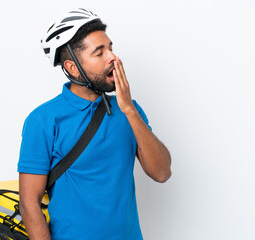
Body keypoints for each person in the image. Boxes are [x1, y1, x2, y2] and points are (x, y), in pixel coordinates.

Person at [18, 8, 171, 240]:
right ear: (72, 67)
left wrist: (128, 108)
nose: (113, 58)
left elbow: (161, 172)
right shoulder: (43, 120)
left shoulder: (129, 110)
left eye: (110, 48)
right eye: (99, 53)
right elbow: (29, 204)